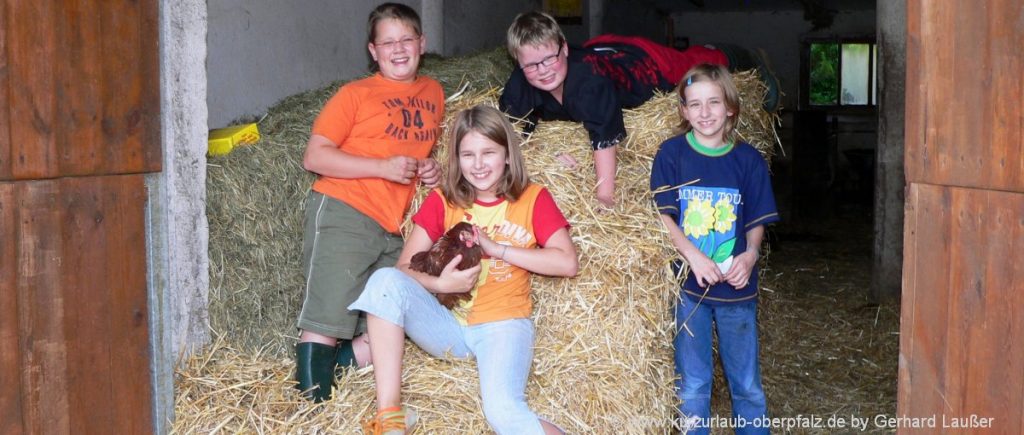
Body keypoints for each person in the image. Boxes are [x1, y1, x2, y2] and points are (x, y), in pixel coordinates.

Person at [349, 105, 578, 434]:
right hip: (448, 327)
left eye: (489, 152)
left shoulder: (532, 198)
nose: (479, 164)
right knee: (384, 280)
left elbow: (567, 262)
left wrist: (497, 249)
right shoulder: (443, 201)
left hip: (503, 324)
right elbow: (403, 268)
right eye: (468, 154)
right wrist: (441, 283)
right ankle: (390, 418)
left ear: (508, 155)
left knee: (502, 413)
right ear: (457, 159)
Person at [293, 2, 445, 403]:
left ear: (422, 43)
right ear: (373, 51)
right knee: (327, 315)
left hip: (395, 227)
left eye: (406, 39)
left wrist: (432, 171)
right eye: (387, 42)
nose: (398, 49)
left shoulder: (434, 93)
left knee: (394, 316)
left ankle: (334, 367)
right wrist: (381, 167)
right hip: (347, 210)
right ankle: (311, 413)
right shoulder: (354, 95)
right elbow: (315, 157)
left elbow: (419, 153)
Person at [649, 64, 779, 434]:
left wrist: (751, 254)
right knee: (692, 384)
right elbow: (664, 216)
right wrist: (693, 256)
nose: (704, 113)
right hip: (689, 288)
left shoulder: (748, 160)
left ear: (731, 108)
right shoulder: (671, 154)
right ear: (683, 111)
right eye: (695, 104)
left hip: (737, 288)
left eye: (713, 103)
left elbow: (756, 220)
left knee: (747, 384)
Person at [499, 11, 727, 209]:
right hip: (598, 48)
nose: (543, 70)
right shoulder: (520, 84)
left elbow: (605, 138)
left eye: (549, 59)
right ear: (518, 63)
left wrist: (604, 195)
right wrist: (546, 155)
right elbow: (509, 132)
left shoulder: (590, 83)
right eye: (531, 65)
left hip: (644, 62)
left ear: (564, 48)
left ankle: (719, 50)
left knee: (700, 64)